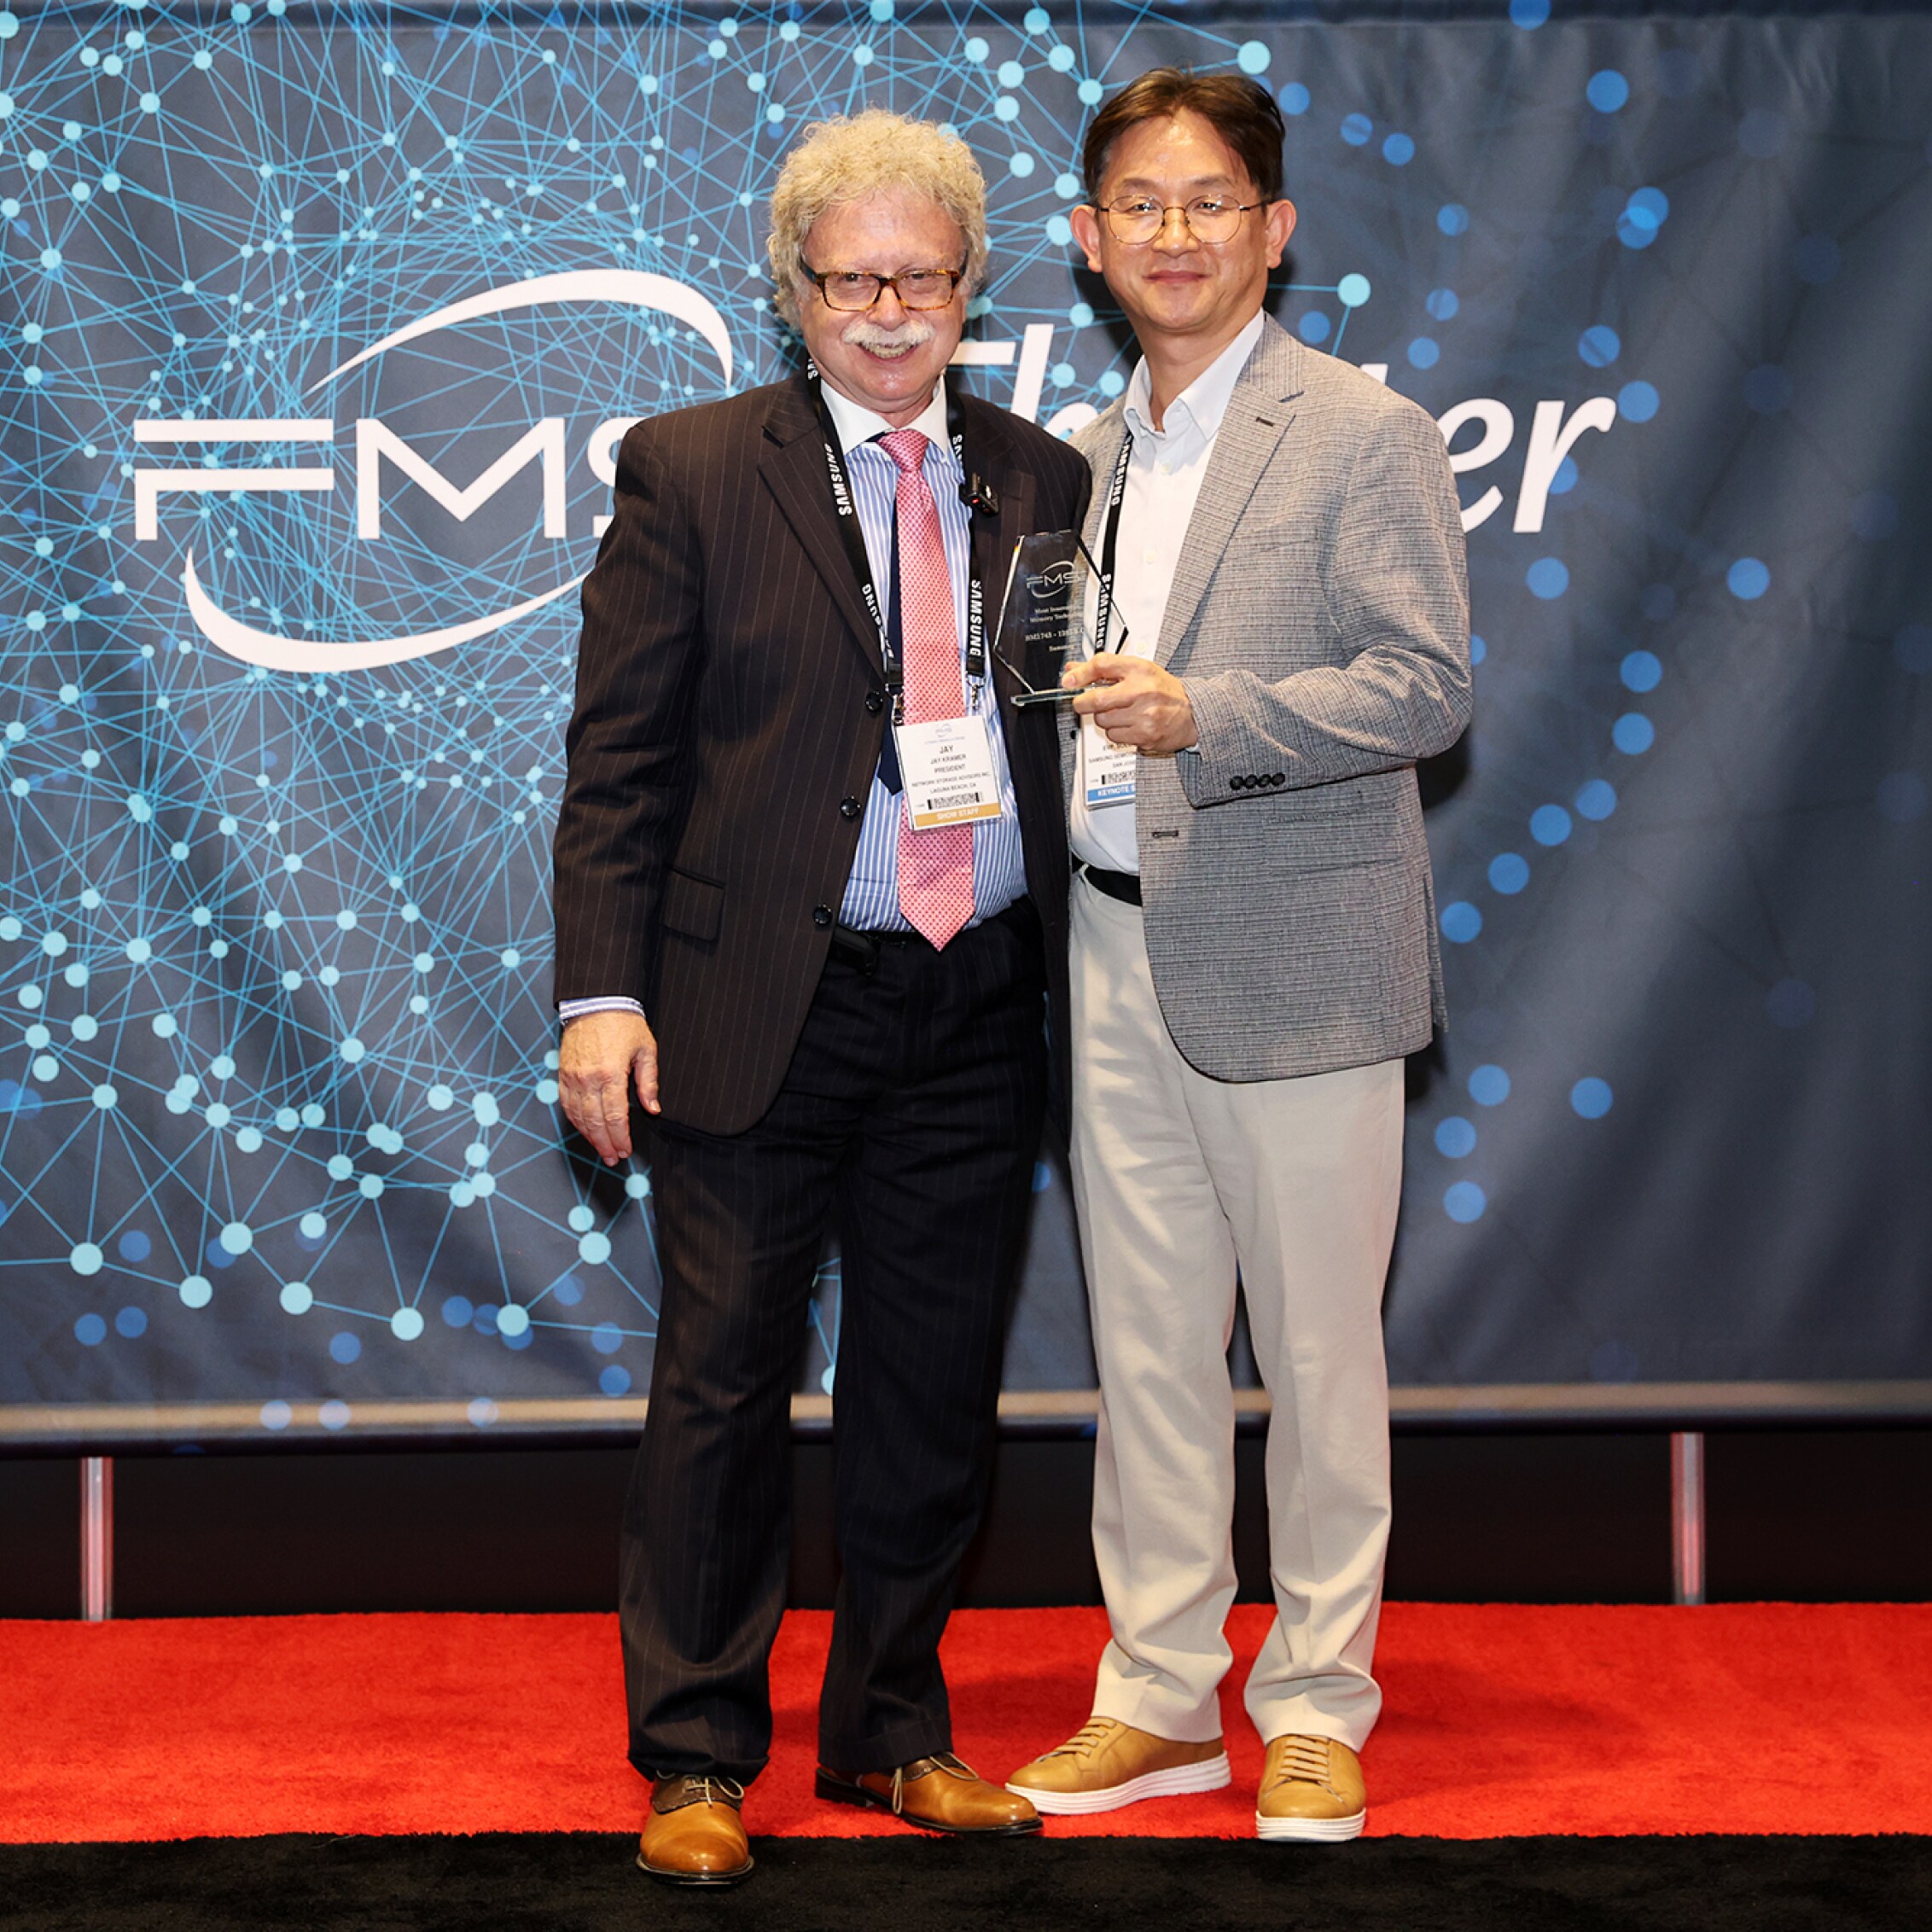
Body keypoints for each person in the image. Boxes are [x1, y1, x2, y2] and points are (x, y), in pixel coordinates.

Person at [551, 110, 1090, 1886]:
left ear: (969, 290)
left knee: (929, 1389)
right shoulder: (692, 467)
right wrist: (599, 995)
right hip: (754, 999)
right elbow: (619, 763)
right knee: (719, 1384)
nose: (886, 312)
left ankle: (894, 1731)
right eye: (851, 278)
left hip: (974, 998)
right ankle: (696, 1753)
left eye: (920, 278)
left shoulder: (1039, 479)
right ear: (791, 292)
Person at [1004, 69, 1470, 1842]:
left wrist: (1215, 712)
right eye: (1141, 202)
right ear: (1087, 237)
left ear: (1271, 232)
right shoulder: (1080, 462)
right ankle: (1157, 1697)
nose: (1174, 233)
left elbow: (1426, 687)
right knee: (1145, 1357)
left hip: (1303, 963)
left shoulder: (1361, 432)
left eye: (1210, 202)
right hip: (1110, 958)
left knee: (1318, 1359)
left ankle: (1316, 1701)